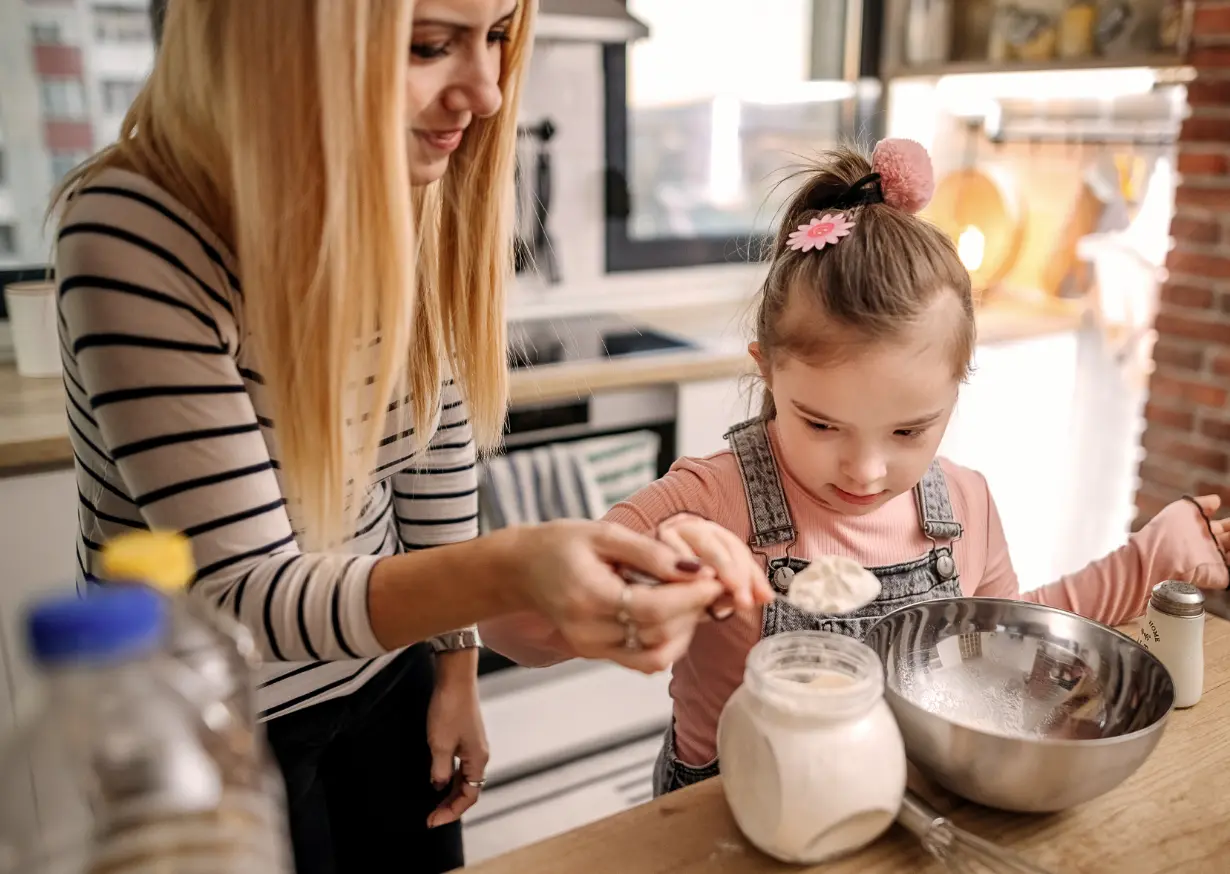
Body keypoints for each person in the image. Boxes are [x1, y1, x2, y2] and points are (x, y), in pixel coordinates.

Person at [50, 2, 772, 872]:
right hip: (210, 727)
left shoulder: (415, 182)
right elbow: (245, 593)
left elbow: (431, 452)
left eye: (498, 35)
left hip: (386, 679)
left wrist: (454, 663)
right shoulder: (135, 228)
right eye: (431, 45)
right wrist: (512, 565)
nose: (489, 93)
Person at [479, 139, 1230, 797]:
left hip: (903, 795)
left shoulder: (961, 503)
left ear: (956, 389)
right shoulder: (711, 501)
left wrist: (1149, 558)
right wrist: (626, 588)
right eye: (820, 423)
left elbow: (1009, 654)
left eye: (911, 428)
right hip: (729, 806)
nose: (866, 471)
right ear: (766, 370)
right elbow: (513, 632)